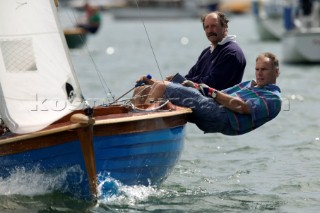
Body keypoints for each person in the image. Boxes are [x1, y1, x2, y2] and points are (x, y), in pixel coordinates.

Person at [135, 52, 281, 136]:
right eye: (257, 69)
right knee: (143, 90)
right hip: (211, 106)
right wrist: (195, 86)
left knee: (161, 87)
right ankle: (128, 128)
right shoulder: (250, 84)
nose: (259, 74)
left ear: (276, 72)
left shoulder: (273, 99)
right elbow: (221, 94)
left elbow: (240, 106)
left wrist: (208, 91)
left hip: (221, 117)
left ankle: (139, 132)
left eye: (264, 70)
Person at [167, 11, 246, 90]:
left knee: (161, 87)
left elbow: (213, 83)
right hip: (199, 95)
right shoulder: (207, 52)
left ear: (224, 26)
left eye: (213, 26)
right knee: (160, 83)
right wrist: (176, 80)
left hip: (216, 100)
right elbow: (190, 76)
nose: (210, 30)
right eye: (206, 27)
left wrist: (180, 81)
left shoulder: (232, 53)